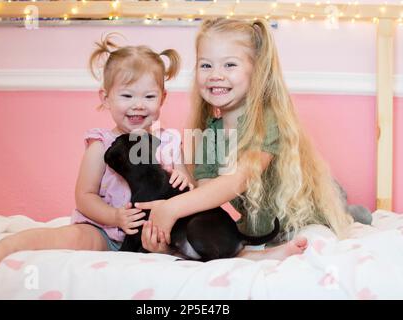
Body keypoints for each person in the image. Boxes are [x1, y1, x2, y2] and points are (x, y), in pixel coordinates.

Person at [135, 18, 354, 261]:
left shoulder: (267, 122)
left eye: (229, 65)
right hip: (256, 230)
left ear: (256, 71)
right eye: (206, 65)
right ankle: (256, 252)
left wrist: (173, 208)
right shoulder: (209, 135)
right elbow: (208, 199)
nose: (215, 75)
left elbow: (237, 180)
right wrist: (171, 240)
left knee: (321, 236)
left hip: (296, 217)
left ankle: (349, 209)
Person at [0, 34, 193, 271]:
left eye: (149, 96)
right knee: (66, 237)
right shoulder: (101, 144)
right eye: (127, 95)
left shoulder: (169, 141)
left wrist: (184, 178)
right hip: (105, 231)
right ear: (105, 98)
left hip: (152, 233)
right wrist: (114, 217)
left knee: (181, 245)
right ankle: (8, 246)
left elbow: (185, 189)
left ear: (163, 98)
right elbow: (85, 196)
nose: (138, 104)